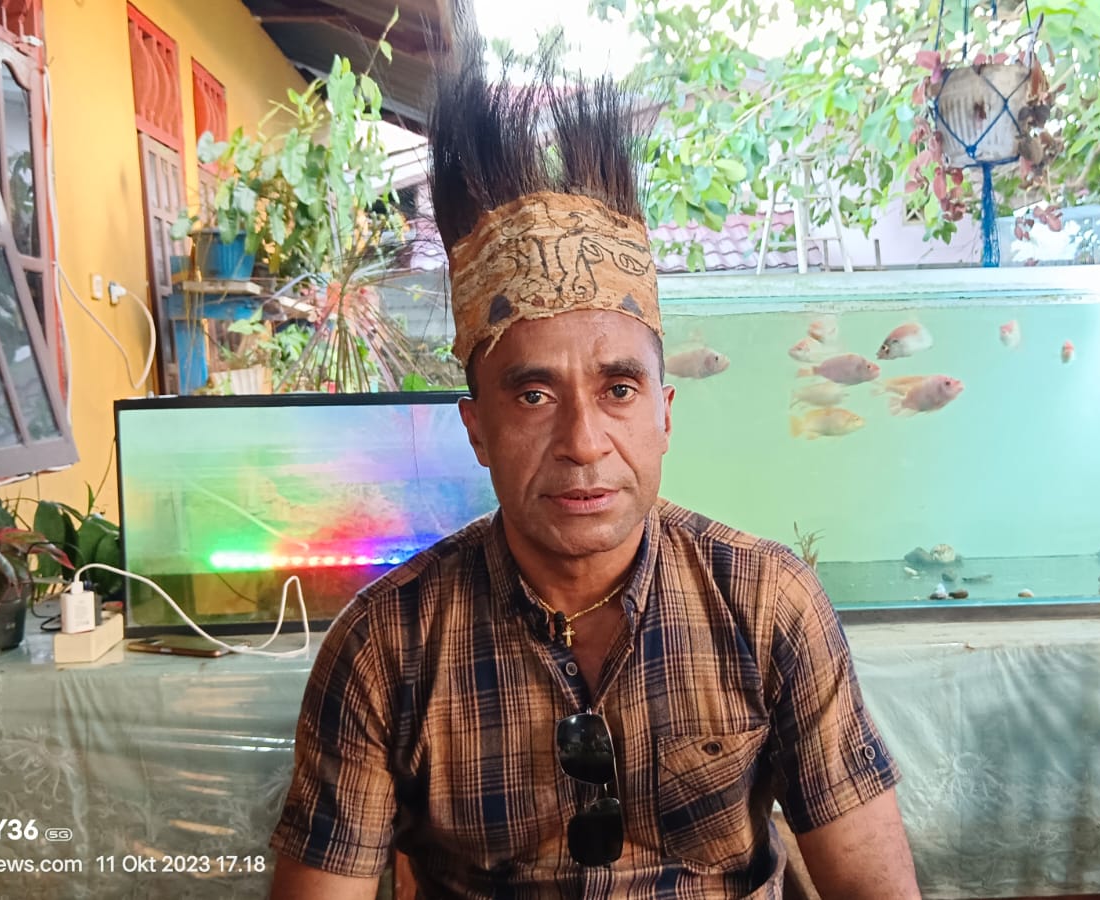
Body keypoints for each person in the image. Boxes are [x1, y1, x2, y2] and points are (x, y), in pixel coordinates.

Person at [268, 44, 920, 900]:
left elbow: (873, 885)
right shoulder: (386, 646)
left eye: (618, 390)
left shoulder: (768, 606)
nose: (583, 441)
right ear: (477, 428)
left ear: (663, 415)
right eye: (534, 394)